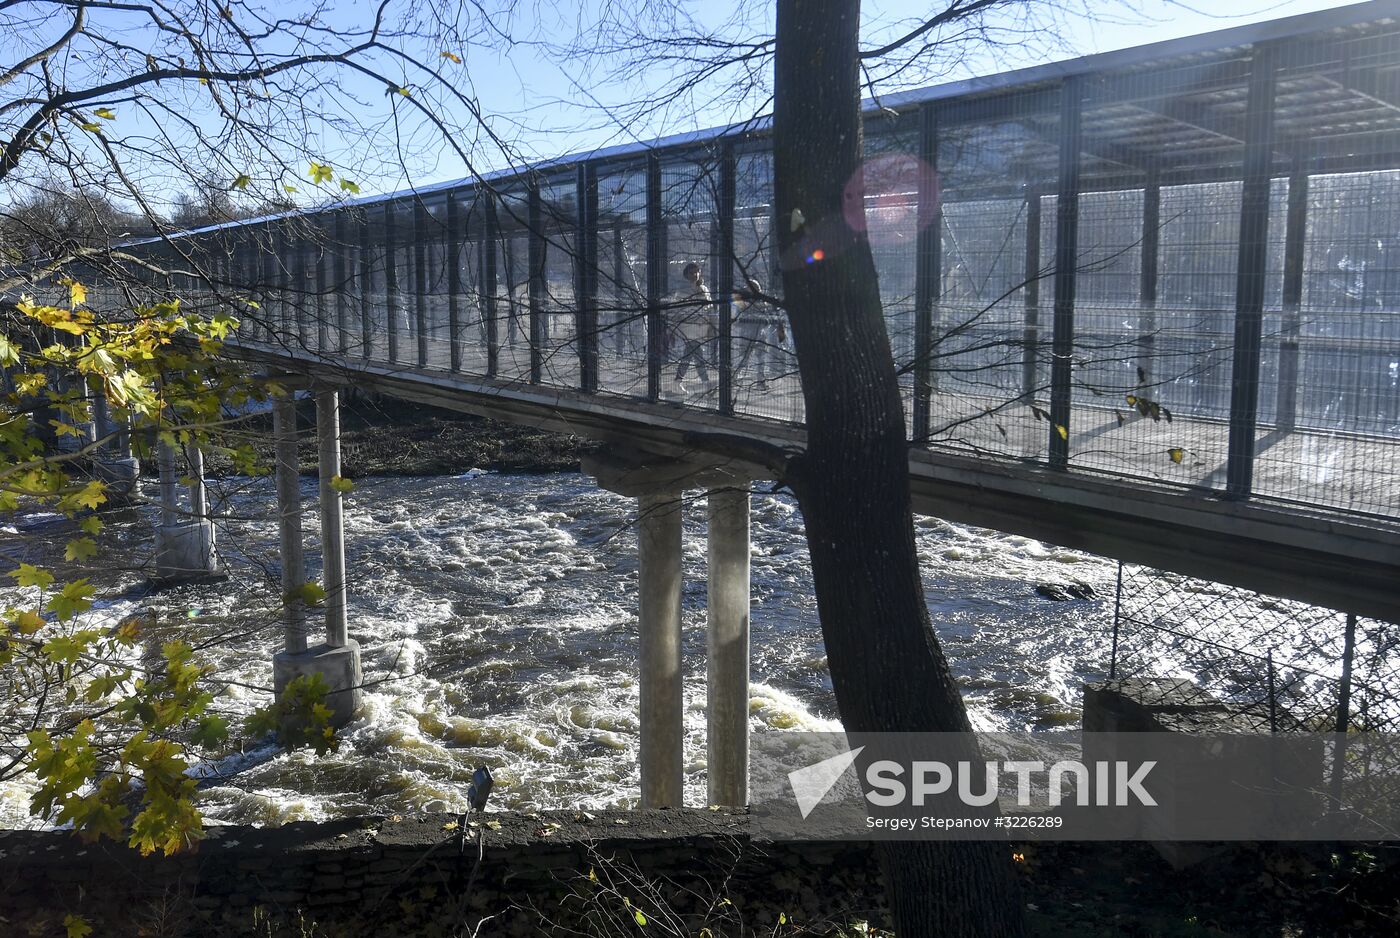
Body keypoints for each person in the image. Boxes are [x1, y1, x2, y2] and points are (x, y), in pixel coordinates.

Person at [733, 276, 786, 390]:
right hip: (748, 334)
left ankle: (760, 382)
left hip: (760, 333)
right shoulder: (743, 301)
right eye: (752, 288)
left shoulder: (761, 302)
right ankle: (734, 377)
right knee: (744, 358)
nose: (756, 290)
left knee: (760, 358)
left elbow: (768, 316)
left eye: (756, 288)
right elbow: (739, 310)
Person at [670, 261, 714, 395]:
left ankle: (677, 382)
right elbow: (679, 309)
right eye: (692, 272)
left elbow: (708, 306)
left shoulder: (704, 288)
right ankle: (706, 384)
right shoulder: (682, 290)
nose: (695, 274)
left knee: (690, 356)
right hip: (689, 328)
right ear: (686, 275)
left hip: (700, 328)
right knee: (695, 356)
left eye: (697, 271)